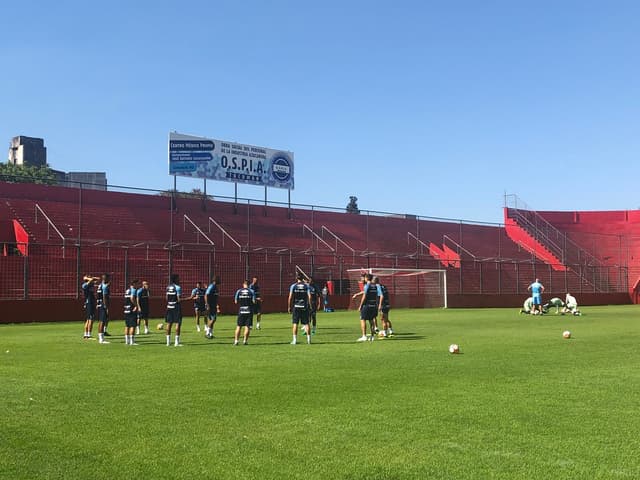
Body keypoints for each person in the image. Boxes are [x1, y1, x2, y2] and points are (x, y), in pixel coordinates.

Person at [288, 274, 312, 345]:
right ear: (303, 278)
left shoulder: (293, 286)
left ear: (296, 278)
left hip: (296, 306)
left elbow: (290, 297)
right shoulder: (306, 286)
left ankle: (294, 340)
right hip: (304, 306)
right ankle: (309, 340)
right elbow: (310, 297)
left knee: (295, 323)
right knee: (307, 323)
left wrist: (289, 307)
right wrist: (310, 305)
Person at [358, 273, 381, 341]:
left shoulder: (367, 285)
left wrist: (360, 305)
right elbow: (378, 296)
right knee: (371, 320)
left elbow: (364, 296)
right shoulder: (375, 286)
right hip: (373, 305)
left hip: (366, 305)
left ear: (366, 278)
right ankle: (372, 336)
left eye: (364, 278)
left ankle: (364, 336)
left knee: (363, 320)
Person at [234, 280, 255, 345]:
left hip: (241, 310)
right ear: (249, 285)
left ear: (243, 284)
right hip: (249, 310)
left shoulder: (239, 291)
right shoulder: (251, 291)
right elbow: (254, 301)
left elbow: (236, 301)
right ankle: (245, 341)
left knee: (238, 326)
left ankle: (236, 341)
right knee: (247, 326)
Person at [165, 274, 183, 346]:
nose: (179, 279)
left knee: (169, 323)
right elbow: (179, 299)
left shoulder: (168, 287)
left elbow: (166, 298)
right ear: (175, 279)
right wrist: (189, 298)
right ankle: (176, 342)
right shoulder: (178, 288)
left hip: (169, 306)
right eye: (178, 278)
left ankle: (168, 342)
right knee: (178, 323)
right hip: (176, 307)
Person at [81, 275, 100, 339]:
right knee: (91, 319)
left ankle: (86, 334)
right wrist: (88, 278)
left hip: (90, 303)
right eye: (89, 276)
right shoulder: (85, 285)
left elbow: (98, 279)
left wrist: (91, 278)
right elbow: (92, 280)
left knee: (88, 319)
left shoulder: (90, 284)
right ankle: (88, 335)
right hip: (89, 303)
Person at [124, 279, 140, 346]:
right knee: (133, 325)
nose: (138, 285)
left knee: (127, 325)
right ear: (134, 284)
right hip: (131, 309)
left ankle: (126, 341)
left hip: (126, 309)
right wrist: (136, 306)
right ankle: (132, 341)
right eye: (137, 284)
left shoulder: (127, 290)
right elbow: (132, 298)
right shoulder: (133, 290)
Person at [96, 277, 110, 344]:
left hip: (99, 304)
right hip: (102, 305)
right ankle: (101, 339)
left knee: (100, 321)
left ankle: (100, 337)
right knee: (102, 321)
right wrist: (106, 306)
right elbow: (104, 296)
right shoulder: (105, 286)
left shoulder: (99, 285)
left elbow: (98, 295)